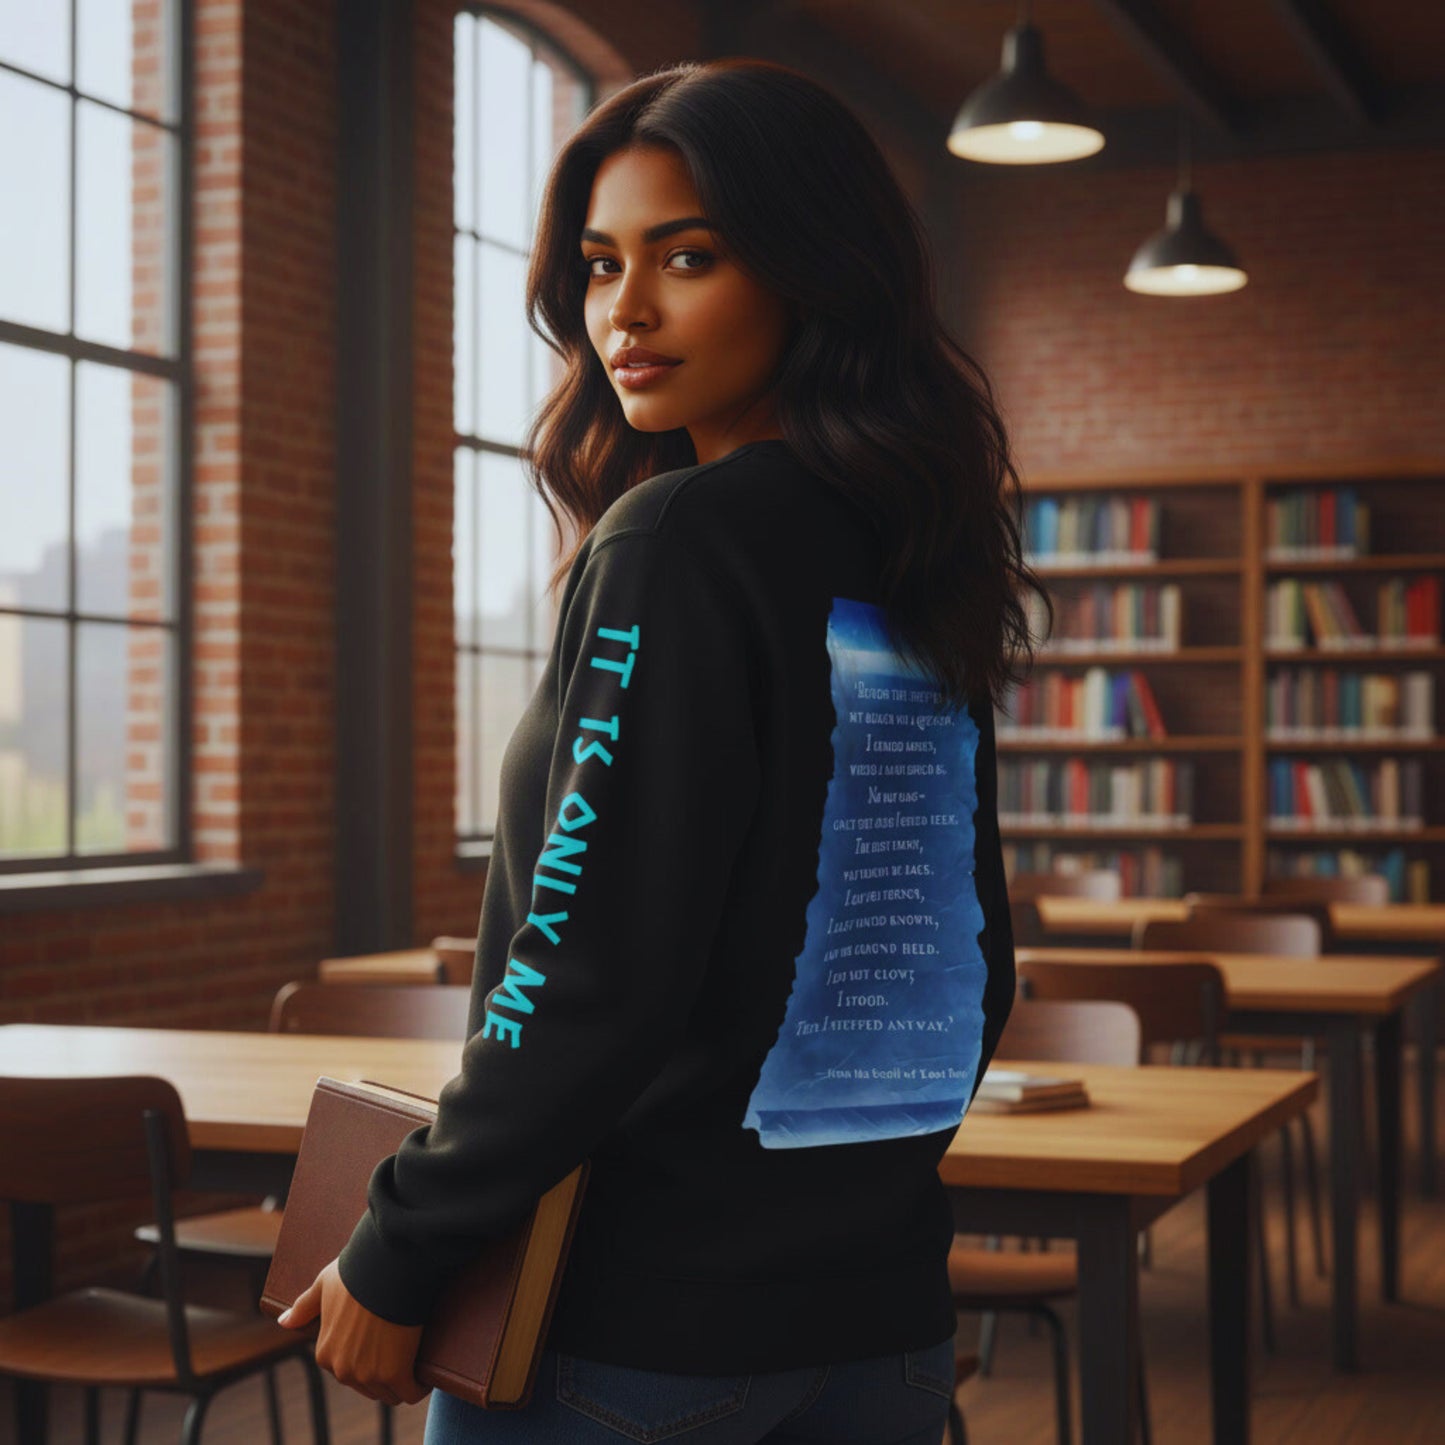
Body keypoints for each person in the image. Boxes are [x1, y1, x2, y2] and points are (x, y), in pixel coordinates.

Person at [280, 55, 1044, 1445]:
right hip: (883, 1337)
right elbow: (964, 962)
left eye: (688, 257)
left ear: (813, 269)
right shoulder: (911, 549)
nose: (624, 310)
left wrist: (403, 1240)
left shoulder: (677, 539)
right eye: (599, 265)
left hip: (630, 1342)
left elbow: (585, 968)